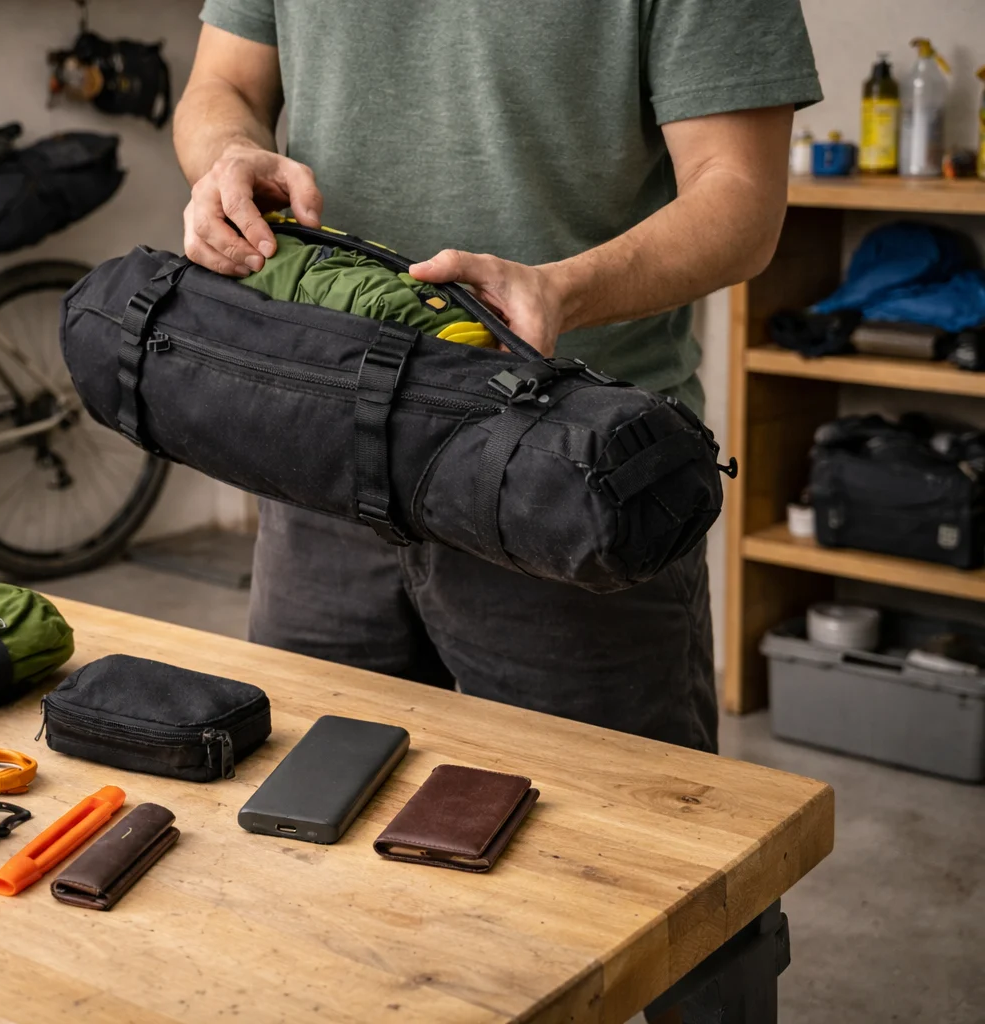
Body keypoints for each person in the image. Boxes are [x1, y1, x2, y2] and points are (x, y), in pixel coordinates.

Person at [172, 2, 822, 751]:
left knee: (601, 846)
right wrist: (228, 155)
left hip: (572, 476)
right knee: (310, 817)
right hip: (323, 446)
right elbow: (225, 86)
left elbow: (741, 194)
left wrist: (561, 291)